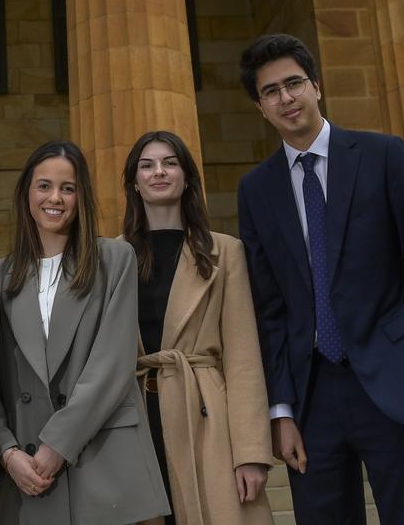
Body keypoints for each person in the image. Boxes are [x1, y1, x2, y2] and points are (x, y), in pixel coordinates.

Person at [236, 34, 404, 525]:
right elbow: (268, 309)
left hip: (397, 384)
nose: (286, 98)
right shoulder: (256, 189)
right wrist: (281, 411)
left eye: (294, 83)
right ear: (261, 106)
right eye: (271, 91)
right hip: (312, 399)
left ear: (316, 86)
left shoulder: (384, 157)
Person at [0, 140, 170, 525]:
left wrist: (59, 444)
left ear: (81, 196)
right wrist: (6, 452)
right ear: (26, 193)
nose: (55, 198)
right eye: (44, 186)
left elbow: (112, 363)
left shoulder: (114, 260)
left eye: (68, 188)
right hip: (27, 470)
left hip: (102, 457)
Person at [122, 131, 274, 525]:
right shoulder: (114, 256)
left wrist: (252, 453)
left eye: (170, 163)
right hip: (135, 414)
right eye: (147, 165)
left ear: (187, 177)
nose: (159, 172)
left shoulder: (225, 251)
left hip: (205, 412)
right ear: (134, 183)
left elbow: (243, 358)